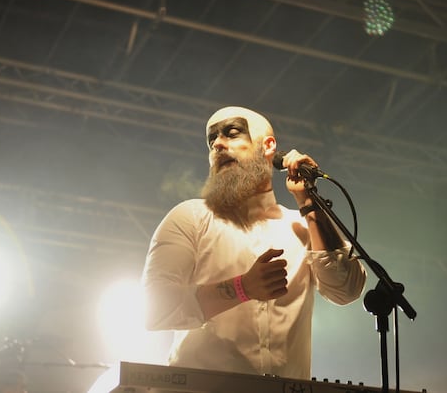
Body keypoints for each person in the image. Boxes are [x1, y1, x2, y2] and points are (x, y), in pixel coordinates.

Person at [141, 106, 367, 380]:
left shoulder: (301, 226)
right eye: (212, 141)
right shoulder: (190, 216)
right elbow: (155, 309)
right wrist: (242, 288)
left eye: (232, 133)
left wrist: (309, 202)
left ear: (268, 146)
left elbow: (347, 289)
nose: (218, 145)